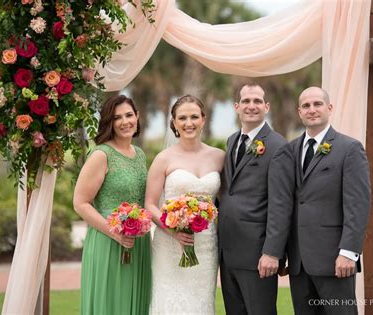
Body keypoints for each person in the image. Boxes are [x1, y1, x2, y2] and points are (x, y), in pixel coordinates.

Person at [286, 86, 370, 314]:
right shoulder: (290, 150)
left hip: (335, 260)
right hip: (298, 262)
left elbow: (358, 205)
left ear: (329, 108)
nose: (311, 110)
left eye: (317, 104)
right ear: (299, 112)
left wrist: (348, 252)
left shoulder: (349, 149)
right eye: (306, 106)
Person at [145, 95, 225, 314]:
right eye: (182, 118)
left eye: (194, 117)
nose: (188, 123)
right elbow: (150, 204)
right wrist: (173, 231)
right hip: (169, 244)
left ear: (203, 119)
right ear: (174, 122)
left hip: (206, 244)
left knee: (201, 302)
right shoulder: (163, 159)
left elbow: (228, 200)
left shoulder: (219, 157)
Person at [73, 95, 151, 315]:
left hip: (138, 242)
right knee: (111, 303)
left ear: (137, 116)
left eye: (129, 115)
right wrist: (115, 233)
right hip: (108, 239)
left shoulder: (140, 154)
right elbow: (80, 203)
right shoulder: (101, 154)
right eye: (117, 117)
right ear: (109, 122)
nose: (125, 121)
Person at [218, 83, 288, 315]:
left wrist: (272, 252)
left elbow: (281, 204)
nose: (251, 106)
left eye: (257, 101)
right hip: (227, 252)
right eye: (246, 101)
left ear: (266, 107)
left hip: (257, 254)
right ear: (236, 106)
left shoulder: (278, 146)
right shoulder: (231, 141)